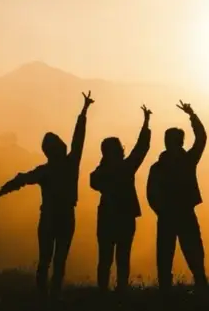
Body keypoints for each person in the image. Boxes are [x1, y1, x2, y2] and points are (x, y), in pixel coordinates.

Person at [0, 91, 94, 298]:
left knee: (46, 260)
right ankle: (52, 297)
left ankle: (44, 298)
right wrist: (83, 112)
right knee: (57, 261)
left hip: (50, 217)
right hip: (63, 216)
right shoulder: (69, 164)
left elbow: (17, 181)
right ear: (57, 148)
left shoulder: (45, 171)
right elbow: (78, 139)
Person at [146, 100, 209, 291]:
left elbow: (151, 194)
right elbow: (201, 138)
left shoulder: (163, 166)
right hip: (179, 214)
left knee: (175, 254)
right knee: (186, 253)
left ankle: (172, 289)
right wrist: (192, 115)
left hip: (171, 215)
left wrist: (161, 210)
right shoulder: (186, 161)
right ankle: (199, 286)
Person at [90, 105, 152, 293]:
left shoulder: (100, 173)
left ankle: (103, 292)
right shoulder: (126, 168)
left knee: (105, 258)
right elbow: (141, 148)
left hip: (107, 218)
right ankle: (121, 290)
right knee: (122, 257)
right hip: (125, 217)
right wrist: (146, 123)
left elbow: (93, 182)